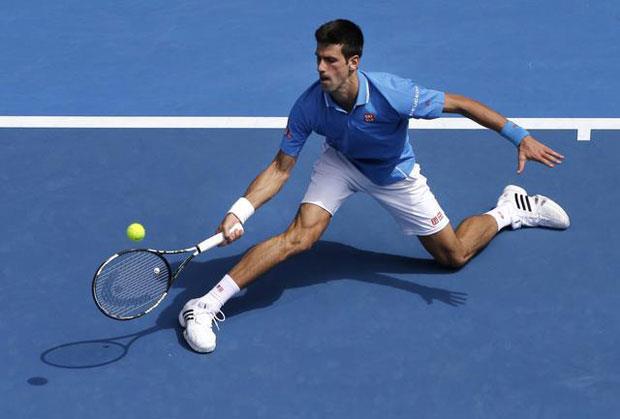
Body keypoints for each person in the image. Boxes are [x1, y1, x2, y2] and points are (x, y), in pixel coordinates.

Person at [178, 19, 570, 353]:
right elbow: (280, 169)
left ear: (353, 62)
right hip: (341, 163)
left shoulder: (392, 93)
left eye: (330, 60)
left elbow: (461, 104)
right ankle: (204, 305)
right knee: (299, 237)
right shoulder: (308, 105)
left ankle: (509, 209)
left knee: (454, 256)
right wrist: (240, 211)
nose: (320, 68)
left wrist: (520, 137)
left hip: (394, 173)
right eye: (318, 58)